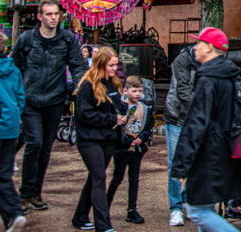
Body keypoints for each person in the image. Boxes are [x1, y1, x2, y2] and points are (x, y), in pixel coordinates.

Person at [12, 0, 89, 212]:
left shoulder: (66, 39)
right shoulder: (27, 39)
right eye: (48, 14)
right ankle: (25, 193)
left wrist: (77, 86)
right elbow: (15, 67)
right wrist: (17, 92)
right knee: (34, 143)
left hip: (55, 100)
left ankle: (36, 193)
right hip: (30, 100)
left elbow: (78, 66)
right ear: (40, 17)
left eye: (56, 14)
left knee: (46, 148)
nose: (53, 17)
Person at [170, 27, 241, 232]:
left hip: (209, 155)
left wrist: (180, 165)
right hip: (228, 151)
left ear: (209, 48)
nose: (195, 48)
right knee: (206, 209)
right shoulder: (231, 75)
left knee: (198, 211)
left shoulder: (207, 79)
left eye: (199, 43)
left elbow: (195, 124)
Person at [72, 47, 127, 232]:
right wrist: (112, 119)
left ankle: (80, 216)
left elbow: (115, 108)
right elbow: (84, 113)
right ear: (100, 64)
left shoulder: (113, 83)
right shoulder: (87, 85)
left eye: (115, 65)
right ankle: (103, 225)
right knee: (99, 179)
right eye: (111, 65)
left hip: (108, 138)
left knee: (94, 178)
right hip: (89, 139)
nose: (114, 68)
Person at [0, 31, 27, 232]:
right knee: (3, 175)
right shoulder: (14, 70)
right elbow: (20, 98)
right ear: (4, 49)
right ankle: (14, 214)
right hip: (10, 128)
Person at [107, 75, 154, 225]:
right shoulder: (120, 107)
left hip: (137, 149)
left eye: (140, 91)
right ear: (125, 91)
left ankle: (131, 210)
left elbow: (148, 126)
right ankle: (104, 207)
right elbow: (117, 130)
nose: (137, 94)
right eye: (134, 91)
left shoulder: (145, 108)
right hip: (122, 149)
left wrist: (142, 137)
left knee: (134, 180)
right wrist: (128, 140)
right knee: (117, 179)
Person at [163, 42, 201, 226]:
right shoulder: (182, 59)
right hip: (178, 117)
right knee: (175, 164)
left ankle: (186, 201)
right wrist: (203, 110)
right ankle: (175, 208)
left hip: (196, 118)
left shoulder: (211, 60)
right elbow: (183, 91)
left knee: (196, 163)